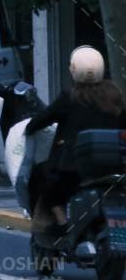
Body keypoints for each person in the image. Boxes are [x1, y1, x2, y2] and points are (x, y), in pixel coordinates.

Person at [25, 45, 126, 238]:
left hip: (73, 170)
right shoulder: (115, 95)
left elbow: (42, 119)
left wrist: (29, 126)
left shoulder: (70, 97)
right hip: (113, 167)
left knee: (41, 177)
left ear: (74, 69)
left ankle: (62, 220)